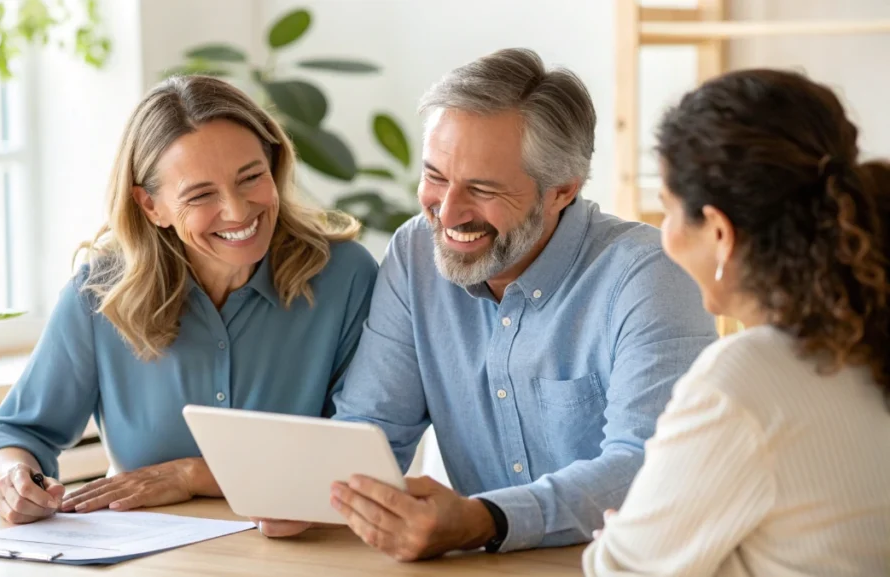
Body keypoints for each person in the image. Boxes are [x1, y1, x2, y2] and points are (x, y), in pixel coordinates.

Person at [258, 48, 717, 560]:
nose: (447, 211)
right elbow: (373, 429)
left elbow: (646, 466)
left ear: (562, 191)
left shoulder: (649, 274)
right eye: (435, 176)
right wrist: (312, 491)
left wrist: (485, 520)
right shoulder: (414, 253)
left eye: (482, 188)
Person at [0, 75, 379, 525]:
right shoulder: (102, 292)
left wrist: (191, 476)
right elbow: (10, 432)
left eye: (251, 178)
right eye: (201, 195)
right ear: (151, 206)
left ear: (273, 163)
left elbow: (361, 457)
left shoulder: (344, 276)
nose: (238, 212)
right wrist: (15, 478)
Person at [583, 69, 890, 576]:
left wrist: (622, 536)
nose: (666, 234)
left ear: (721, 233)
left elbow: (621, 570)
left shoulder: (745, 378)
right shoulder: (868, 341)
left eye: (669, 212)